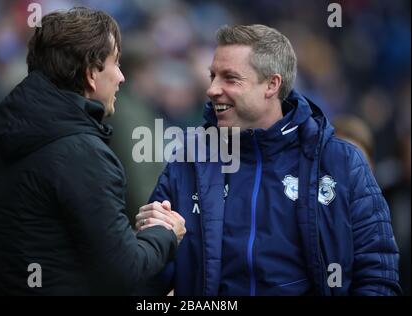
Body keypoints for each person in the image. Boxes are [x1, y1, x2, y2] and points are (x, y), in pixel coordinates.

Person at [136, 24, 401, 295]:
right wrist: (156, 238)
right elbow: (149, 281)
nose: (212, 89)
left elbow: (377, 275)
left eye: (230, 78)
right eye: (213, 76)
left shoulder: (342, 163)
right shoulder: (188, 162)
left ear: (272, 85)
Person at [0, 7, 185, 295]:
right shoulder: (81, 152)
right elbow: (127, 271)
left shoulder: (8, 135)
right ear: (90, 73)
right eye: (116, 63)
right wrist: (165, 232)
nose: (122, 77)